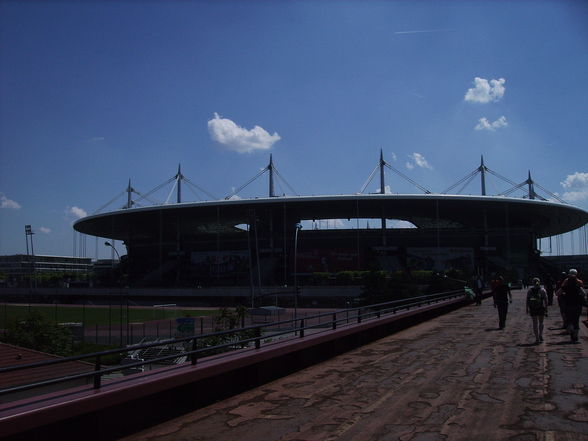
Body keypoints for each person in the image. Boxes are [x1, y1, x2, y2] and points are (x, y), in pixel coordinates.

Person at [558, 269, 586, 343]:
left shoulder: (566, 283)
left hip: (568, 305)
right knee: (576, 321)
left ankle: (572, 332)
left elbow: (558, 293)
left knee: (569, 321)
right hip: (577, 305)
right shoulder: (579, 283)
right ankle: (575, 337)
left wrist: (564, 294)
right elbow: (583, 294)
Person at [526, 277, 548, 343]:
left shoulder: (530, 290)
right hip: (541, 307)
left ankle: (537, 338)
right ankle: (540, 335)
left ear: (533, 283)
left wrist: (527, 308)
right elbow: (546, 300)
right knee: (541, 322)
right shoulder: (542, 290)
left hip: (533, 308)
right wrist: (546, 308)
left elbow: (527, 300)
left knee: (535, 323)